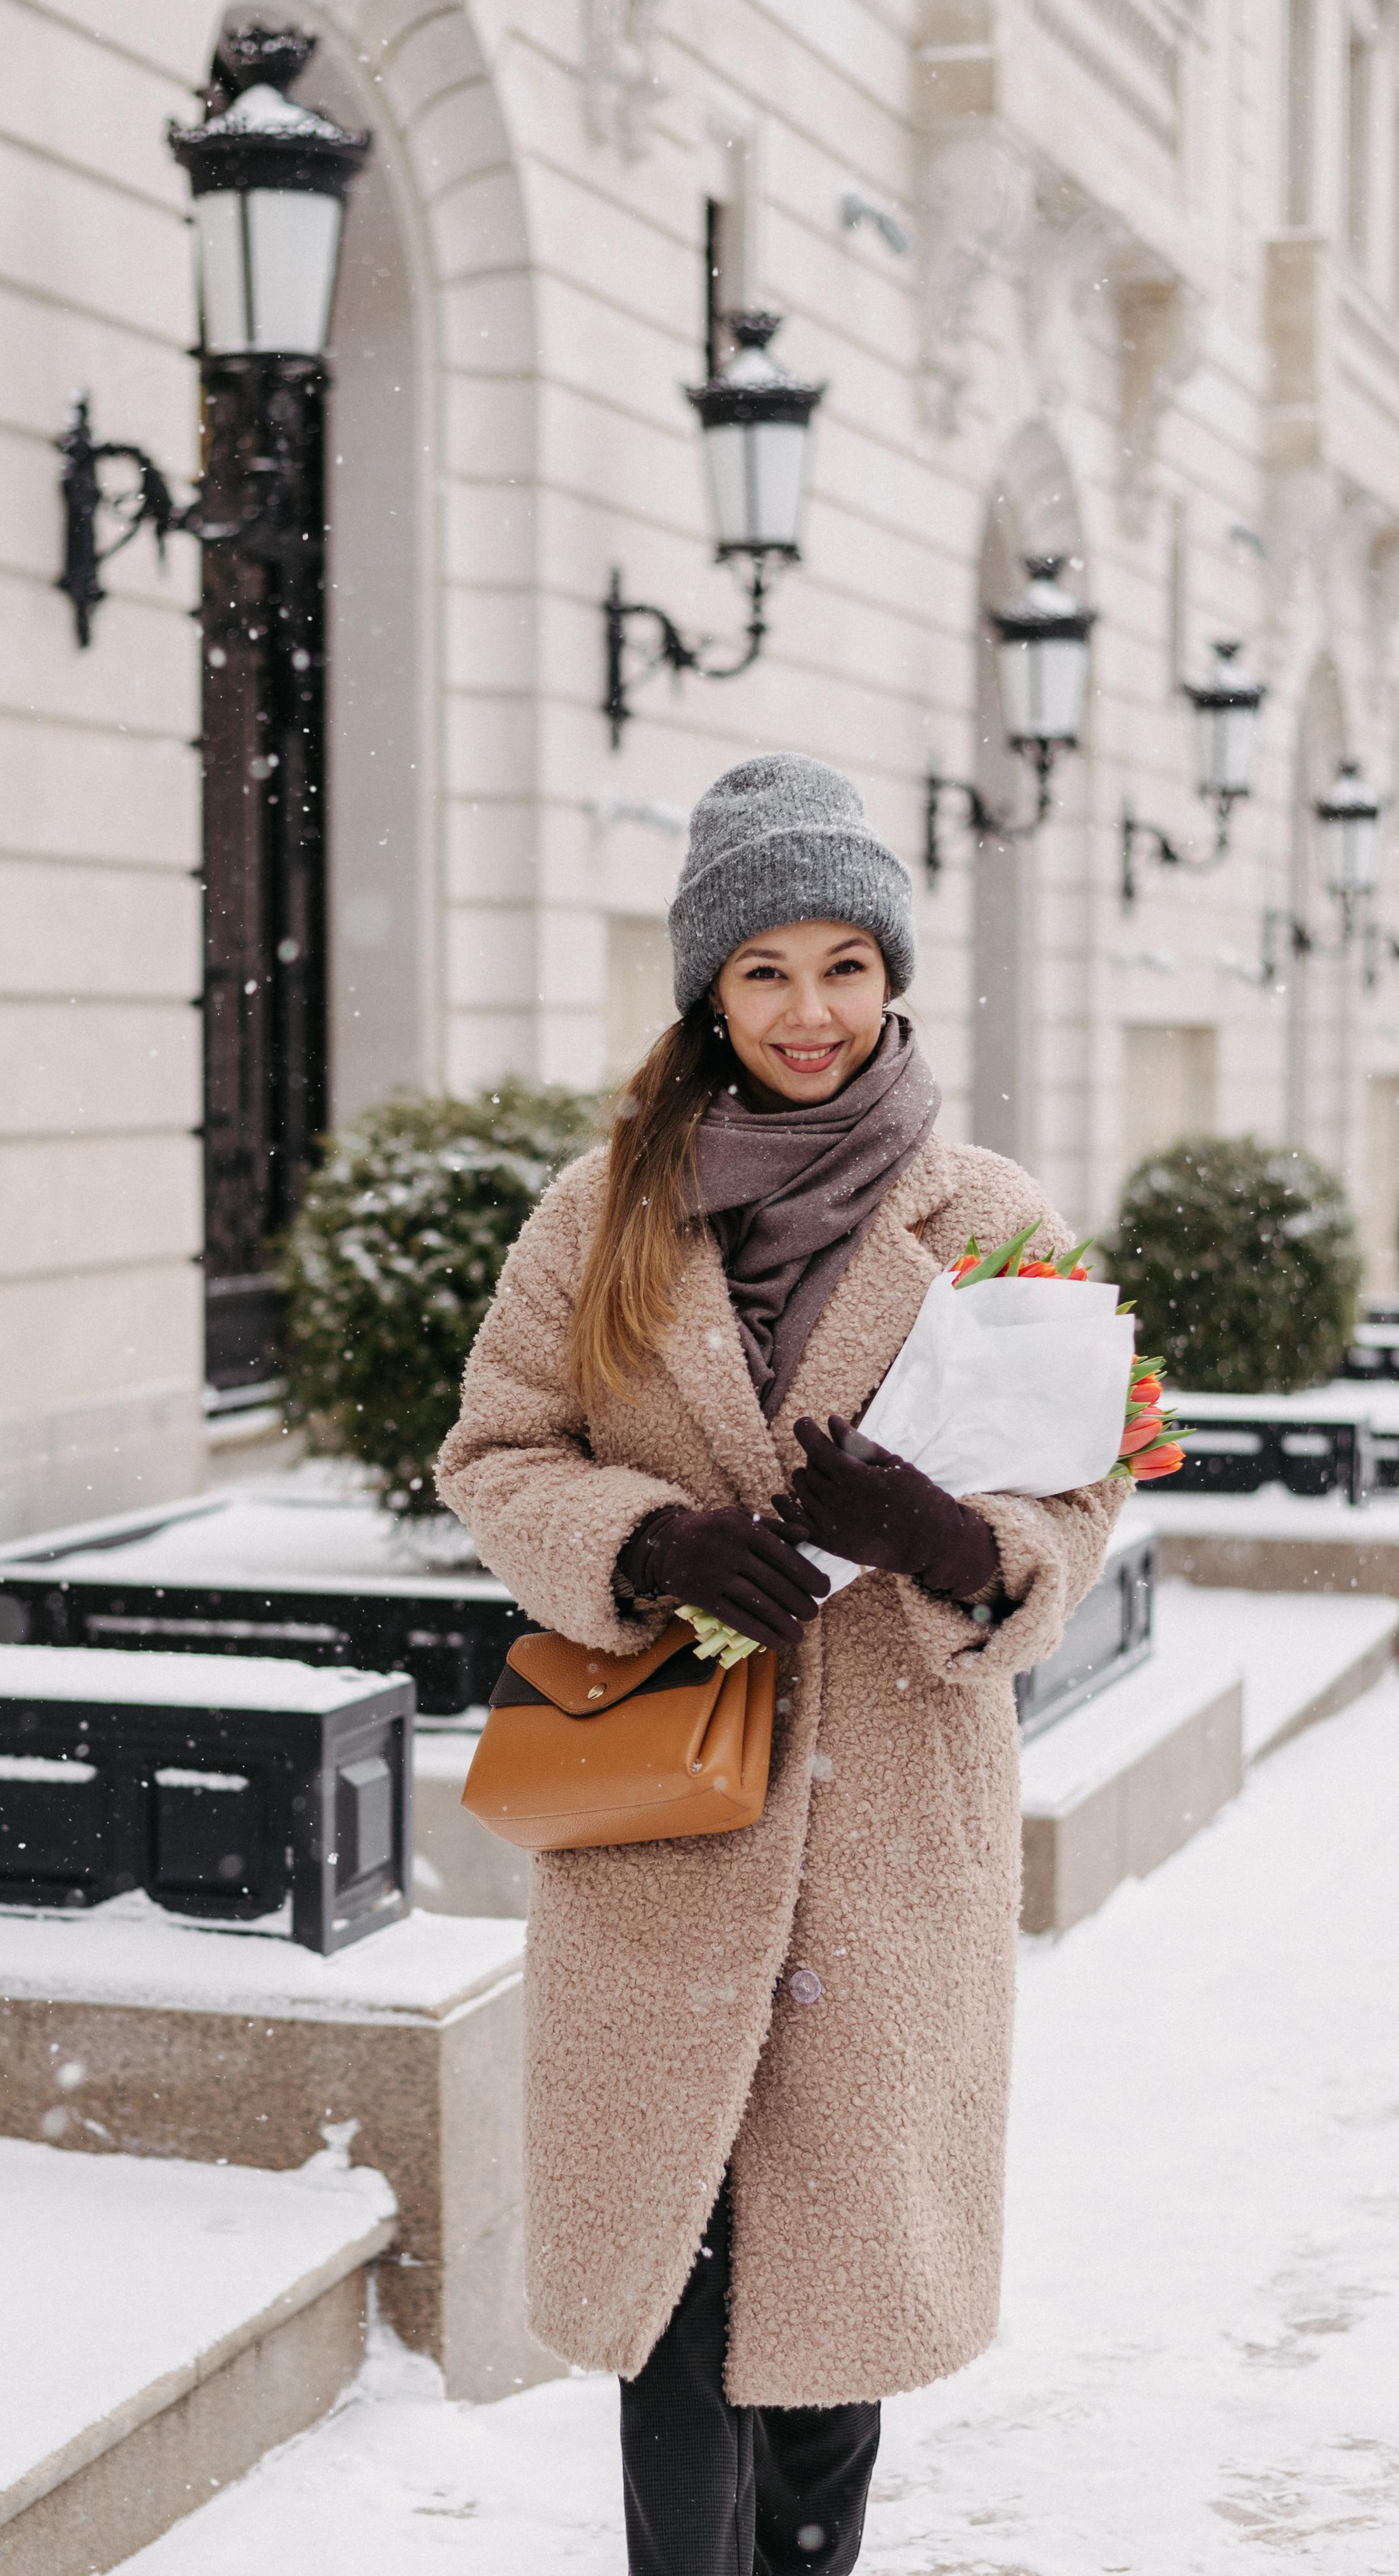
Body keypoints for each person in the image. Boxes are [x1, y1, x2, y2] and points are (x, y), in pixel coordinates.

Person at [436, 754, 1123, 2576]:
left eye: (844, 966)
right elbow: (494, 1453)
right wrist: (645, 1542)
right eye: (765, 971)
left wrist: (956, 1544)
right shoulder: (603, 1210)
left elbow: (1083, 1485)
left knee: (830, 2328)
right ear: (710, 990)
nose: (809, 1012)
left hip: (888, 1837)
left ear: (892, 975)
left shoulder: (990, 1217)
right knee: (674, 2301)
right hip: (661, 1824)